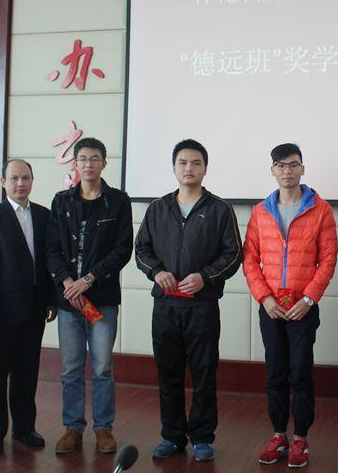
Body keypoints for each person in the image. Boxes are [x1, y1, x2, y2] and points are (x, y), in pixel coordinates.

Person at [135, 139, 242, 462]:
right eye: (182, 162)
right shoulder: (157, 208)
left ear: (205, 168)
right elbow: (141, 250)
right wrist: (156, 272)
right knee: (168, 373)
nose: (189, 168)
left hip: (202, 306)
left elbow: (233, 254)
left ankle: (202, 438)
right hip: (165, 306)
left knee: (204, 373)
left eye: (196, 163)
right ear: (174, 168)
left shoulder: (220, 209)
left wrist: (205, 277)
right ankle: (171, 436)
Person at [243, 143, 338, 468]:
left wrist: (309, 299)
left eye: (293, 164)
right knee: (275, 373)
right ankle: (278, 435)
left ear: (302, 168)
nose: (287, 171)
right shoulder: (261, 211)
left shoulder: (320, 209)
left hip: (303, 308)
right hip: (271, 307)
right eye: (281, 165)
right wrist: (265, 298)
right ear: (272, 170)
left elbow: (328, 260)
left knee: (300, 373)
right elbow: (250, 259)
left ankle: (300, 438)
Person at [46, 137, 133, 454]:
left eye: (95, 158)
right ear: (75, 164)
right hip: (69, 300)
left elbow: (123, 249)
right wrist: (67, 280)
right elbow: (51, 249)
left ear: (104, 164)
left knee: (102, 368)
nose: (88, 164)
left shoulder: (118, 201)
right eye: (82, 158)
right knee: (71, 368)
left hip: (102, 299)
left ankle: (103, 428)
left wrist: (89, 279)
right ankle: (72, 428)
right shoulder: (62, 201)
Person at [0, 159, 56, 456]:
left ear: (32, 180)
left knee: (27, 373)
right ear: (3, 182)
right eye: (14, 178)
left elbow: (48, 263)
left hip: (34, 308)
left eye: (25, 178)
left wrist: (50, 299)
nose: (20, 183)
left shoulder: (44, 215)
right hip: (2, 312)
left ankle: (24, 428)